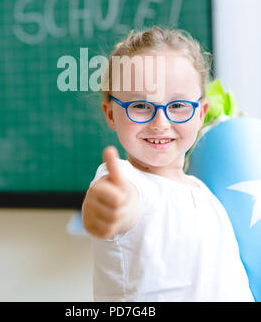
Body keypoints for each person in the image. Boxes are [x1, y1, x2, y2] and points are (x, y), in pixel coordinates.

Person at [82, 26, 254, 302]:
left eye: (177, 106)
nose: (160, 123)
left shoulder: (202, 193)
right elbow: (119, 201)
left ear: (201, 114)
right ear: (111, 113)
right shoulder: (126, 180)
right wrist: (110, 206)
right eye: (140, 106)